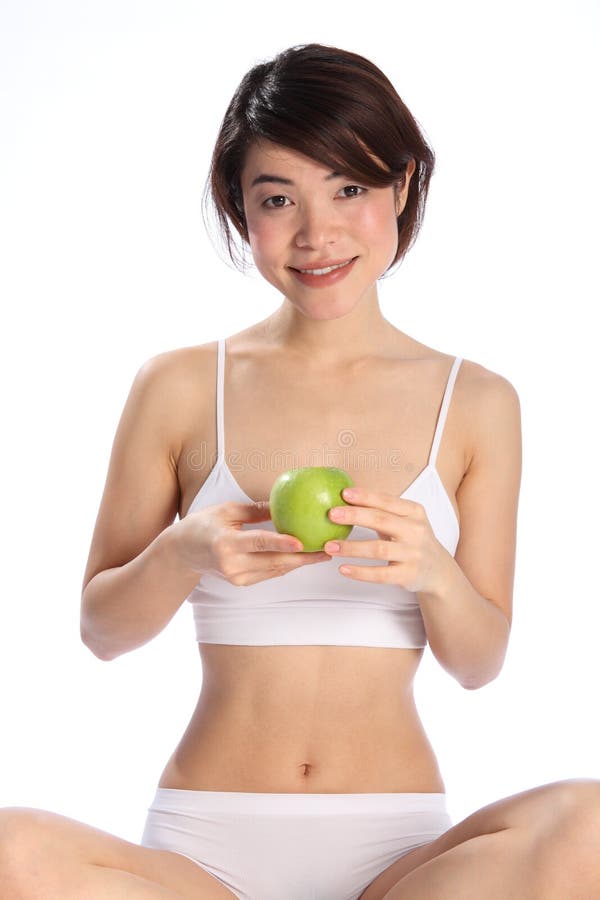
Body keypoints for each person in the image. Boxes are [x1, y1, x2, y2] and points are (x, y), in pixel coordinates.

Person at [1, 41, 599, 900]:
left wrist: (433, 571)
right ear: (242, 214)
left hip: (396, 863)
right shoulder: (176, 386)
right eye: (278, 199)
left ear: (401, 187)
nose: (317, 235)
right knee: (10, 852)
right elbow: (102, 632)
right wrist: (183, 553)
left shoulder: (478, 403)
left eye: (349, 189)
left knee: (589, 827)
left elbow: (480, 661)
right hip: (204, 856)